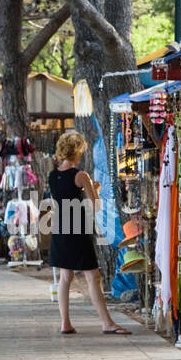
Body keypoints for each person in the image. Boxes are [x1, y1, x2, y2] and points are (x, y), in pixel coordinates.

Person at [47, 130, 130, 335]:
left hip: (60, 228)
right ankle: (107, 323)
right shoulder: (81, 175)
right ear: (77, 152)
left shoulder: (52, 175)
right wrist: (96, 190)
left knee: (66, 276)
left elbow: (62, 199)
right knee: (93, 276)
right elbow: (96, 206)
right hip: (78, 230)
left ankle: (65, 322)